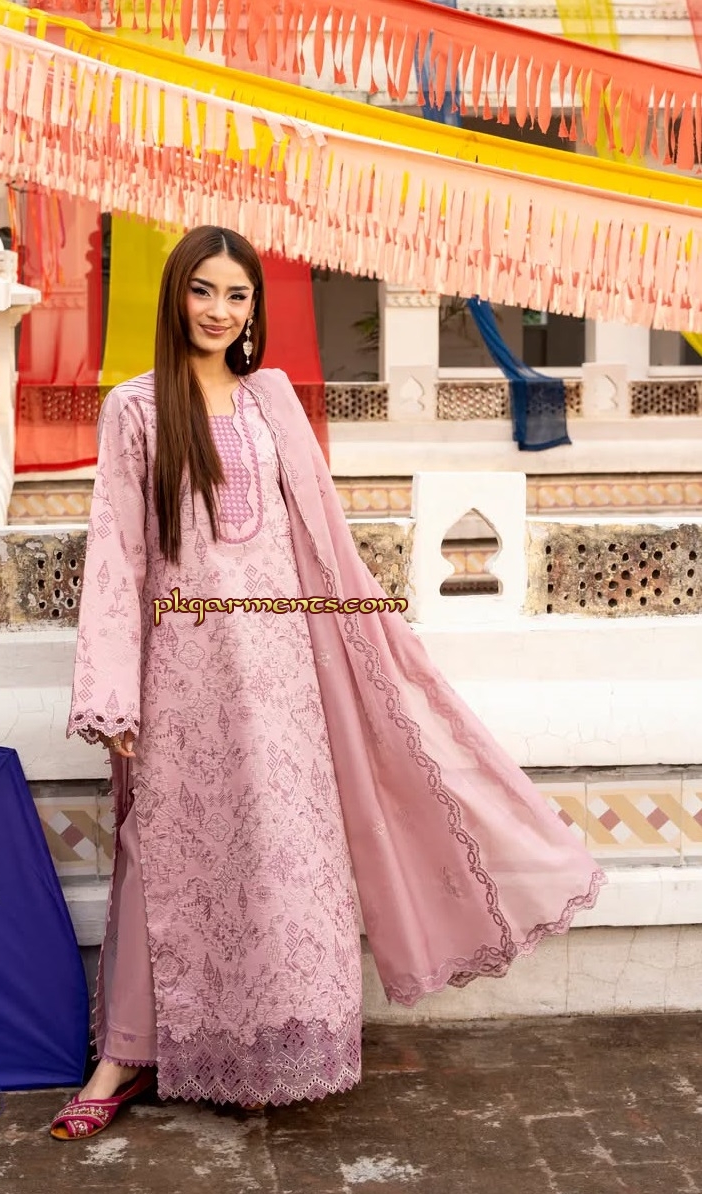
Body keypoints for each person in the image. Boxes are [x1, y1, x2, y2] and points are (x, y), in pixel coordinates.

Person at [50, 226, 605, 1141]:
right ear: (174, 295)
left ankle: (257, 1051)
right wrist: (113, 692)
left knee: (276, 858)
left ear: (254, 309)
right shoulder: (136, 409)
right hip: (183, 676)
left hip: (284, 675)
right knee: (167, 858)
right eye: (202, 291)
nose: (218, 311)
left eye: (236, 295)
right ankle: (125, 1054)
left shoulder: (270, 400)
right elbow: (116, 553)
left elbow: (319, 542)